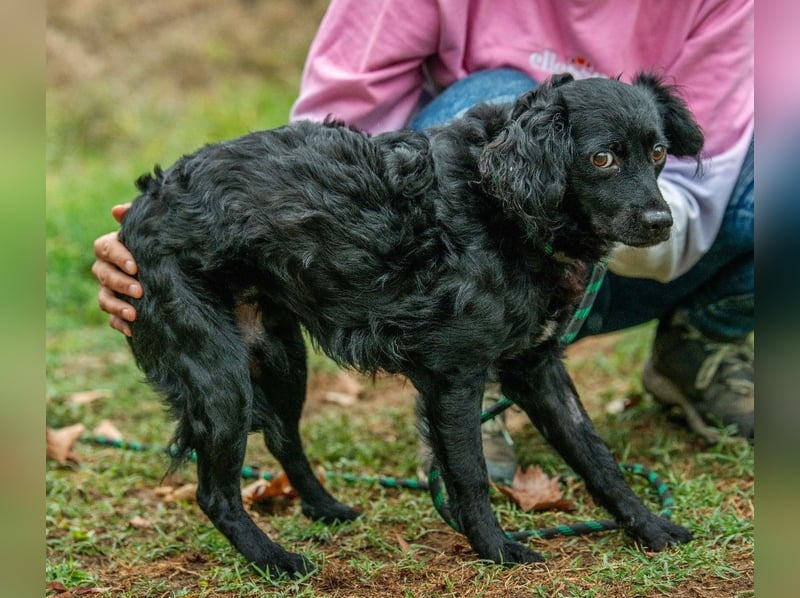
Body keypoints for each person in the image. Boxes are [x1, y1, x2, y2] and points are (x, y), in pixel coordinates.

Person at [93, 0, 754, 481]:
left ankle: (700, 345)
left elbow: (690, 203)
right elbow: (325, 150)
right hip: (436, 264)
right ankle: (460, 368)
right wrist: (184, 233)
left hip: (615, 258)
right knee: (500, 98)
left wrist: (581, 199)